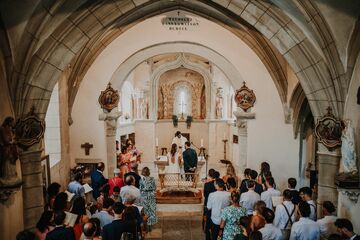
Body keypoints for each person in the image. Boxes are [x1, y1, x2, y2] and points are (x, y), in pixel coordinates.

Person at [0, 116, 21, 186]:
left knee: (12, 165)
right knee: (7, 164)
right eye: (12, 122)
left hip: (12, 150)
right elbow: (6, 140)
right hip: (6, 150)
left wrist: (14, 139)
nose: (13, 123)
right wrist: (12, 141)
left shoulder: (11, 129)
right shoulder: (2, 129)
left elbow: (13, 138)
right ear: (9, 122)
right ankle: (7, 178)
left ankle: (12, 177)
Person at [203, 169, 218, 240]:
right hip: (216, 205)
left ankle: (207, 232)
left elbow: (205, 195)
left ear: (209, 175)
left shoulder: (207, 184)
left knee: (207, 218)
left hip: (208, 203)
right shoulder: (219, 184)